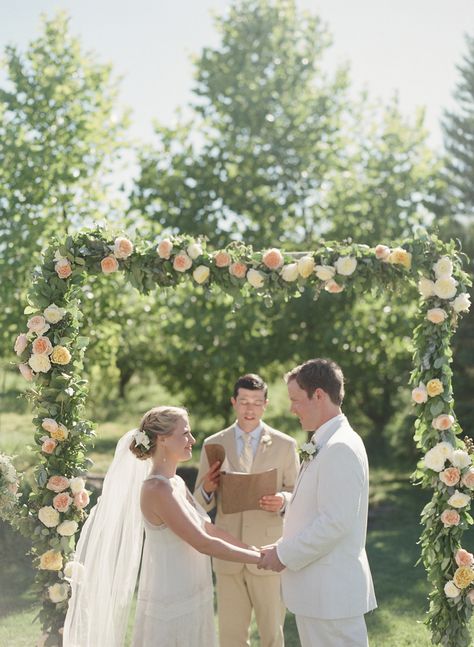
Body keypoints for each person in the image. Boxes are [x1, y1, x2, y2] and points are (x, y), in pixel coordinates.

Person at [63, 406, 260, 647]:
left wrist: (257, 550)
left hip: (194, 594)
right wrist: (259, 559)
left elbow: (209, 529)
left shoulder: (175, 483)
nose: (192, 440)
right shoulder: (157, 489)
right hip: (172, 604)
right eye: (185, 433)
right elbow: (202, 542)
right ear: (163, 439)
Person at [258, 358, 377, 647]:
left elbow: (334, 523)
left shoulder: (340, 448)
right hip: (319, 594)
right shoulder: (327, 442)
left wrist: (283, 554)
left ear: (319, 395)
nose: (291, 408)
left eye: (296, 400)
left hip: (331, 596)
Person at [194, 373, 300, 647]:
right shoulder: (213, 444)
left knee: (272, 634)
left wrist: (283, 500)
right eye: (243, 401)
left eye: (256, 402)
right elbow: (198, 504)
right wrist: (207, 487)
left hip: (268, 552)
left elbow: (299, 495)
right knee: (230, 637)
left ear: (265, 404)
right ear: (233, 402)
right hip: (227, 555)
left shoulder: (286, 445)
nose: (249, 408)